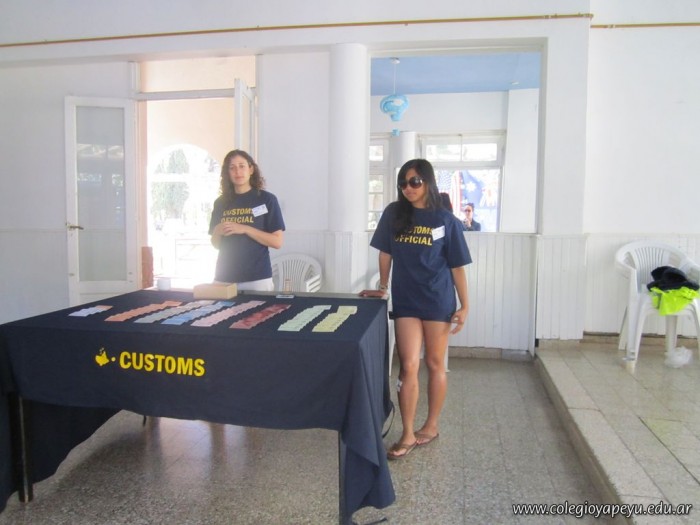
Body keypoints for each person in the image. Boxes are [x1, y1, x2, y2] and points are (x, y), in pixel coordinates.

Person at [360, 158, 471, 460]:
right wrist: (383, 286)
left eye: (414, 182)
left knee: (435, 363)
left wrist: (465, 305)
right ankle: (407, 433)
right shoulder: (394, 214)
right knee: (408, 364)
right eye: (403, 183)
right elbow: (385, 253)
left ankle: (431, 425)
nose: (408, 188)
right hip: (406, 300)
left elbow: (457, 267)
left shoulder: (446, 220)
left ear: (428, 182)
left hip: (438, 301)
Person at [208, 150, 285, 291]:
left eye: (242, 166)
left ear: (251, 169)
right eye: (232, 168)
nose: (237, 171)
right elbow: (216, 244)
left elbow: (277, 242)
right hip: (224, 277)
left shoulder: (267, 199)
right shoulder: (220, 203)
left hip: (257, 278)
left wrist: (245, 229)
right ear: (227, 173)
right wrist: (217, 232)